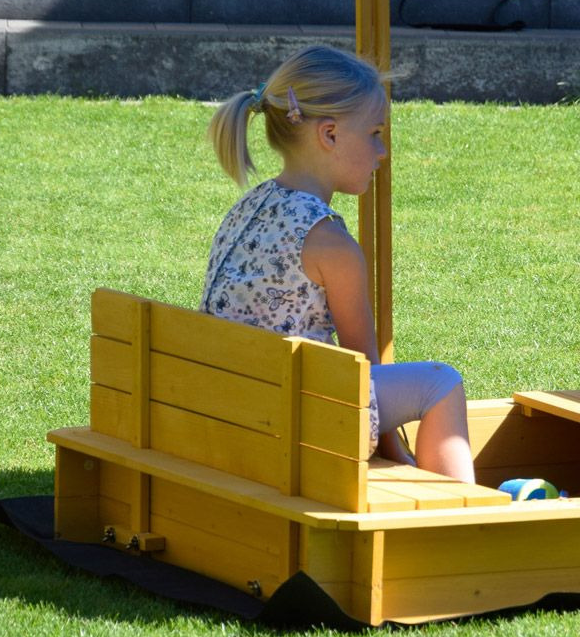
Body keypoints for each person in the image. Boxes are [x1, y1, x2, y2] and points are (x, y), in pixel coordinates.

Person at [202, 44, 476, 483]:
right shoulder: (332, 243)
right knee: (441, 383)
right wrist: (393, 453)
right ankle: (462, 517)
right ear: (329, 135)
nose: (382, 151)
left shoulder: (249, 206)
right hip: (297, 419)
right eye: (374, 133)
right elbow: (361, 369)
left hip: (230, 406)